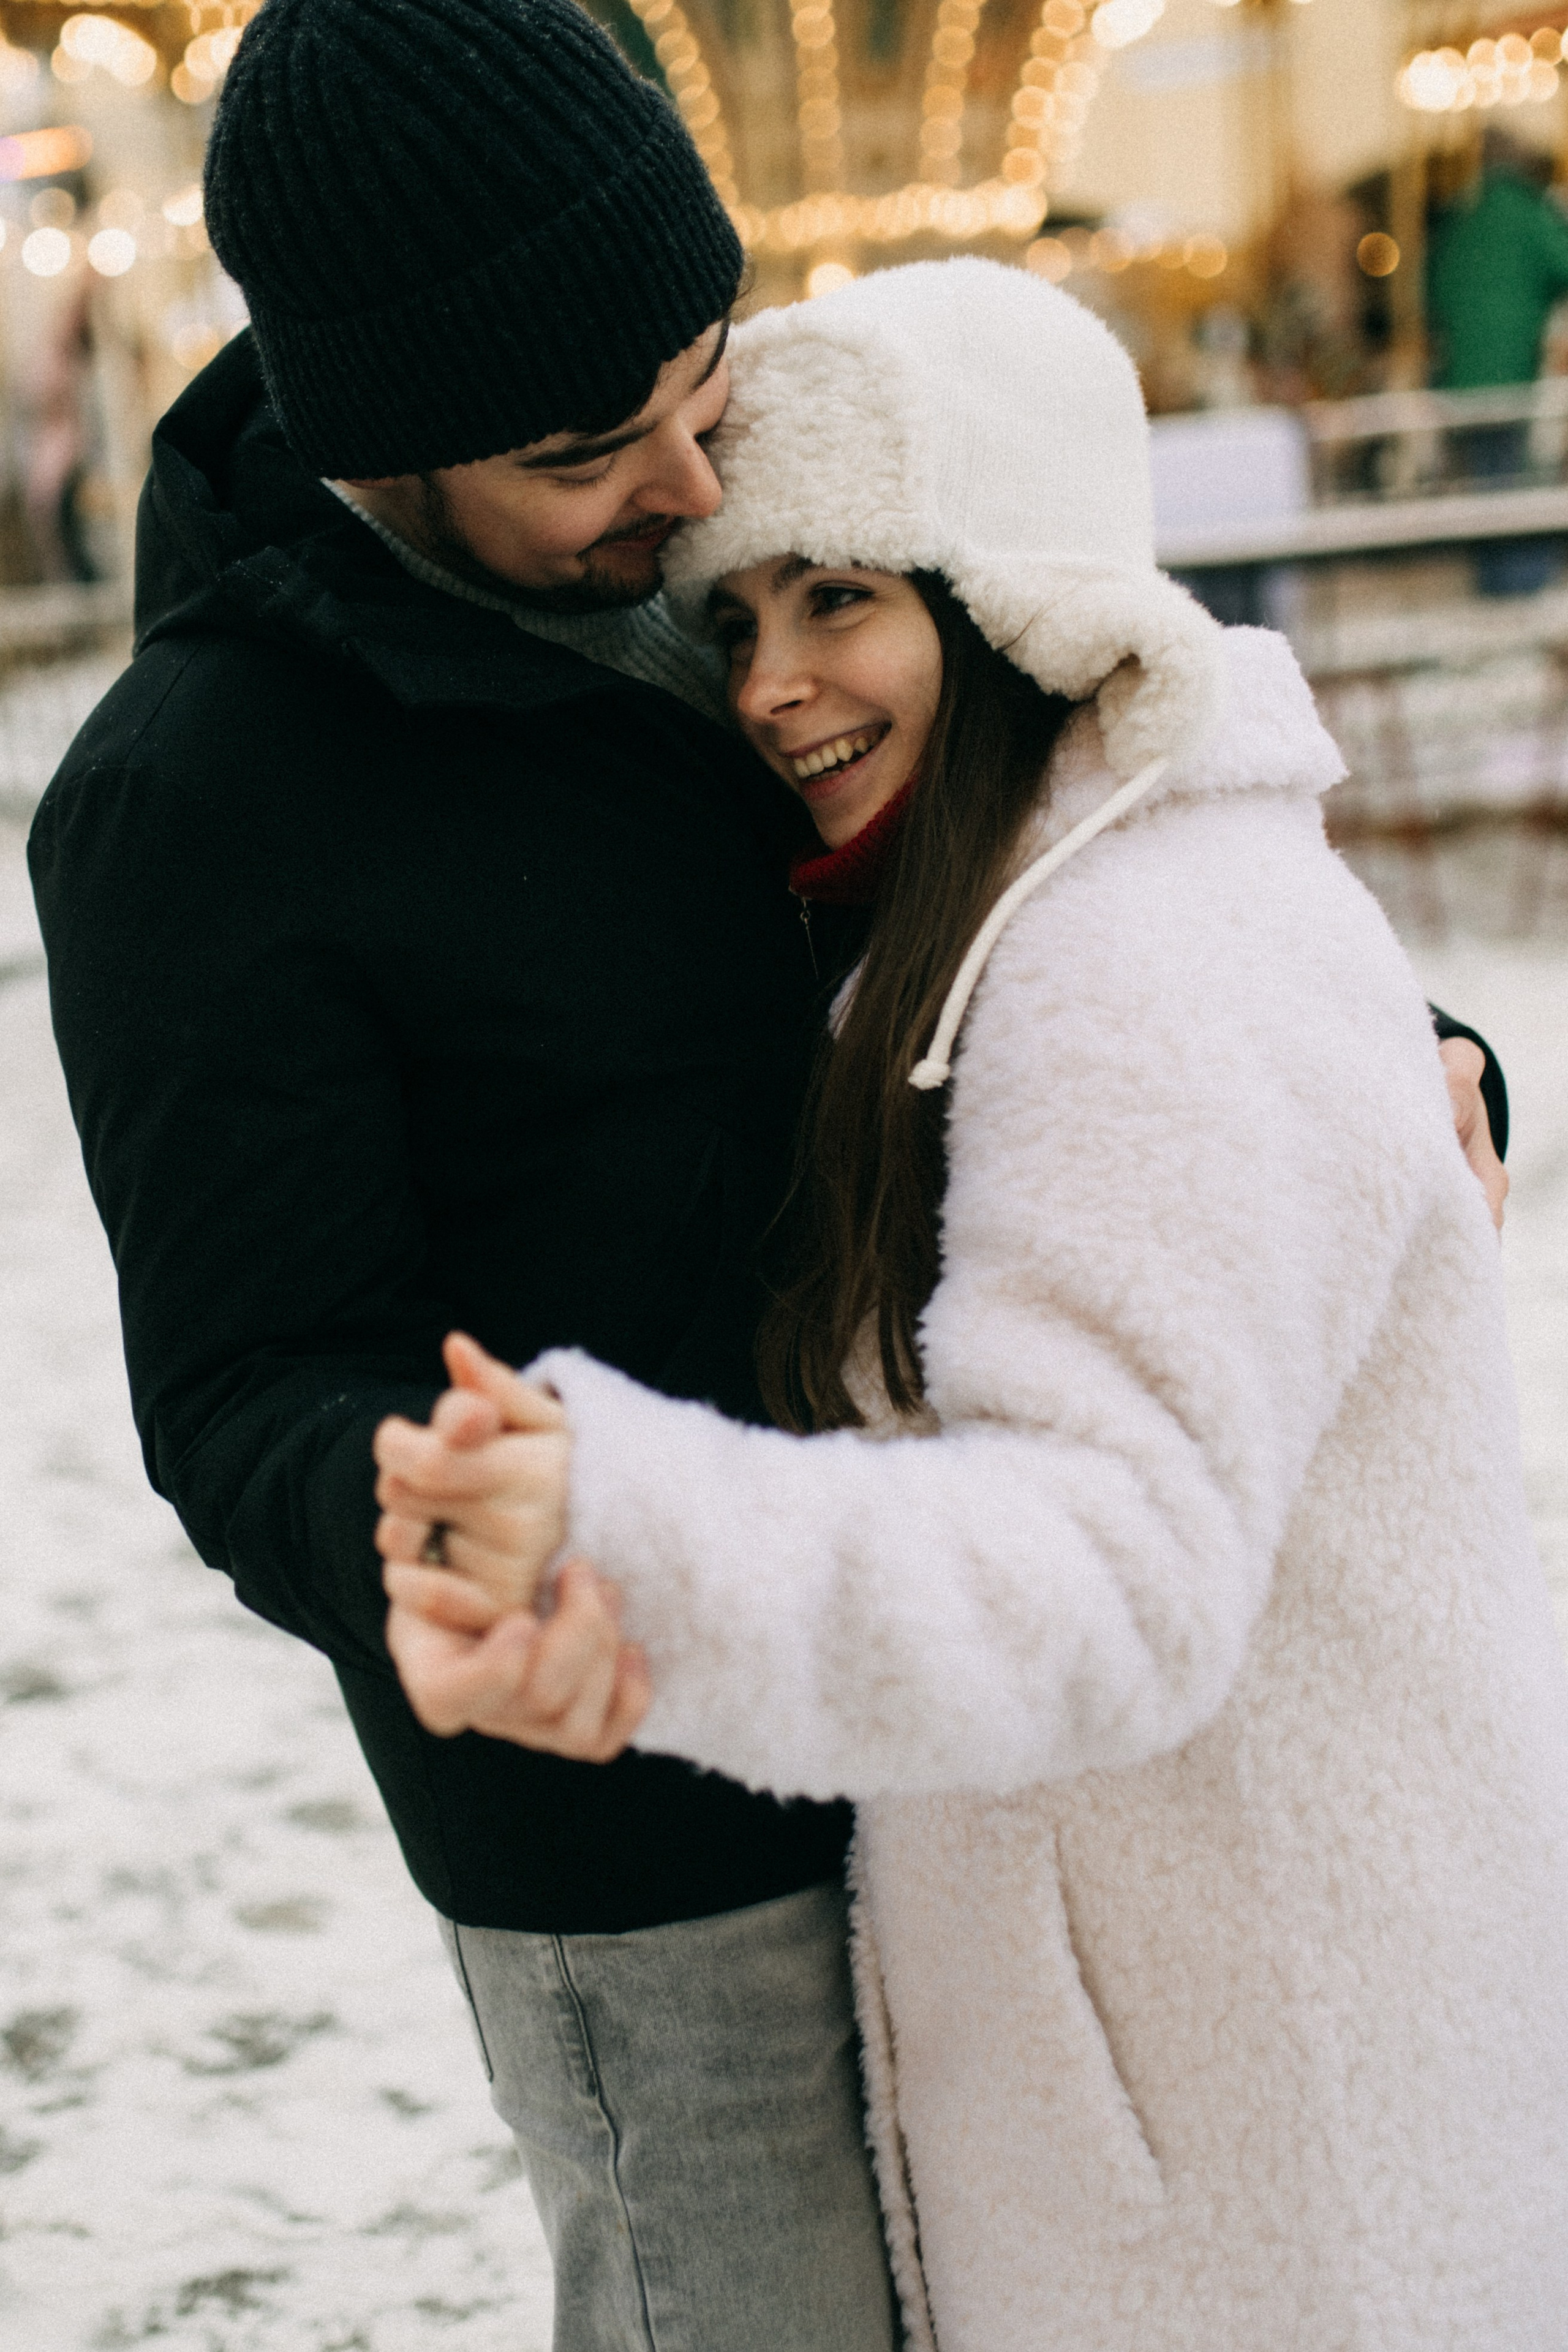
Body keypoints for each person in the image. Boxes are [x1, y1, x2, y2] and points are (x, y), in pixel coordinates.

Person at [377, 261, 1568, 2352]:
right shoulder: (987, 927)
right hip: (1204, 2103)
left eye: (842, 597)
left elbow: (1113, 1566)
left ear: (1020, 603)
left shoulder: (1148, 958)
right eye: (736, 618)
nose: (772, 685)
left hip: (1281, 2167)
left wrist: (634, 1534)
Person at [28, 4, 900, 2346]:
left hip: (963, 1671)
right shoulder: (197, 803)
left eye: (695, 379)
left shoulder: (777, 526)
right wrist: (421, 1533)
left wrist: (1371, 1061)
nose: (685, 486)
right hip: (641, 1808)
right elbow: (248, 1388)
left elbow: (1060, 838)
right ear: (380, 439)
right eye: (581, 448)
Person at [1427, 127, 1568, 595]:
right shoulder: (1531, 214)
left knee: (1486, 481)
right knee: (1518, 479)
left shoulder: (1459, 219)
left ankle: (1493, 580)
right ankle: (1521, 584)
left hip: (1462, 377)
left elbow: (1433, 295)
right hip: (1514, 371)